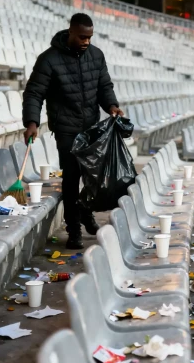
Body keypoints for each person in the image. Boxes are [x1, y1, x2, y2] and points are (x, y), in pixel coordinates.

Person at [22, 13, 123, 250]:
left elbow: (104, 86)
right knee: (71, 178)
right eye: (82, 37)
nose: (86, 41)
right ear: (70, 32)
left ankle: (86, 212)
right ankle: (74, 228)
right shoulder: (49, 60)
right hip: (66, 128)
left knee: (93, 176)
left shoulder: (96, 56)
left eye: (90, 37)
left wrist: (112, 106)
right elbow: (34, 92)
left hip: (91, 127)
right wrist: (32, 122)